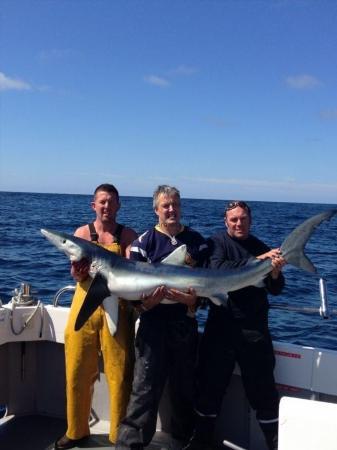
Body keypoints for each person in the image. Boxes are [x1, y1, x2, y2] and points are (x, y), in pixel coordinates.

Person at [184, 200, 286, 450]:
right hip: (220, 327)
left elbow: (276, 288)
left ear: (250, 220)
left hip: (254, 330)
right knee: (209, 387)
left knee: (263, 392)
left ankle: (274, 443)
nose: (239, 223)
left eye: (243, 219)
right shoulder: (218, 243)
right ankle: (202, 441)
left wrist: (273, 272)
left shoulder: (259, 245)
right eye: (234, 219)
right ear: (226, 222)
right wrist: (258, 261)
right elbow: (218, 270)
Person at [115, 185, 208, 450]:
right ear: (156, 209)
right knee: (144, 390)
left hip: (184, 325)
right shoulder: (142, 244)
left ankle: (184, 441)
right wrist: (146, 305)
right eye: (165, 205)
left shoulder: (198, 241)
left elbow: (208, 285)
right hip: (152, 326)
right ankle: (129, 445)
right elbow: (131, 294)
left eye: (175, 204)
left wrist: (193, 302)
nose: (171, 209)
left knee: (185, 389)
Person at [55, 183, 138, 450]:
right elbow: (75, 274)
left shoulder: (127, 235)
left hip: (117, 306)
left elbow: (132, 271)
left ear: (119, 206)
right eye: (102, 201)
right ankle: (75, 431)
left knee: (119, 373)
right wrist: (78, 272)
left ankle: (118, 435)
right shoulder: (81, 233)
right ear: (93, 205)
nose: (107, 206)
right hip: (84, 305)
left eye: (112, 202)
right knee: (77, 369)